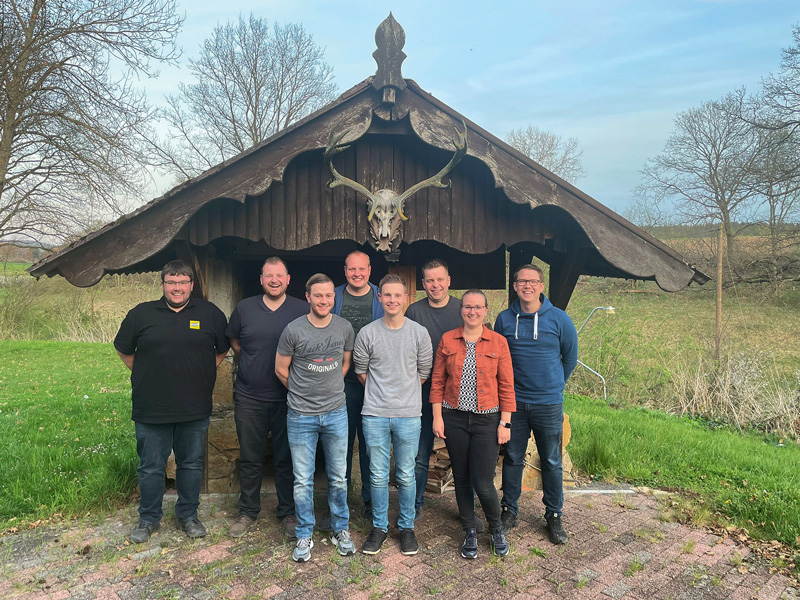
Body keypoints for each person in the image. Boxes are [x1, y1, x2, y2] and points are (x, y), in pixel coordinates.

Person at [114, 260, 229, 544]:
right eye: (171, 282)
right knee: (151, 466)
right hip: (152, 407)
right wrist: (146, 374)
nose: (177, 288)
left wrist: (200, 372)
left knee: (190, 465)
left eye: (182, 282)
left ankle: (188, 515)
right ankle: (148, 518)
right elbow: (125, 350)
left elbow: (221, 351)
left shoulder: (210, 313)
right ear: (163, 284)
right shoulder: (141, 314)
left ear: (192, 285)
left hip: (194, 407)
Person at [226, 257, 309, 539]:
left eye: (280, 275)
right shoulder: (245, 308)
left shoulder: (301, 309)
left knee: (287, 458)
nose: (274, 280)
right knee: (250, 457)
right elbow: (236, 342)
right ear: (261, 279)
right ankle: (248, 511)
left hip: (290, 396)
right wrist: (254, 363)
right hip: (250, 396)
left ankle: (288, 512)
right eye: (269, 275)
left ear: (288, 279)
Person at [275, 274, 356, 563]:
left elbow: (346, 362)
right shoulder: (293, 330)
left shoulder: (344, 327)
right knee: (302, 480)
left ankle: (340, 529)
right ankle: (304, 532)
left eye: (328, 296)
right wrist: (302, 393)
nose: (324, 301)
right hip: (300, 414)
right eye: (318, 296)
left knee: (337, 477)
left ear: (334, 298)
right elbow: (281, 369)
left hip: (336, 412)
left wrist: (331, 386)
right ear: (308, 297)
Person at [495, 264, 578, 545]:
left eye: (532, 281)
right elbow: (499, 359)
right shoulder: (504, 320)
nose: (526, 286)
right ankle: (509, 510)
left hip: (548, 404)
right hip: (514, 404)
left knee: (552, 460)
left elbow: (570, 358)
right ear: (515, 286)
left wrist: (553, 383)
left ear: (541, 286)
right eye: (521, 282)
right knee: (513, 458)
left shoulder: (560, 320)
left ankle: (554, 515)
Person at [430, 290, 515, 559]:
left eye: (478, 307)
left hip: (486, 420)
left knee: (483, 481)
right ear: (461, 310)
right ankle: (469, 529)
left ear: (486, 311)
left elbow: (507, 386)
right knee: (462, 479)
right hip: (453, 417)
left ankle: (496, 528)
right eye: (468, 307)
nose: (472, 312)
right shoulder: (448, 340)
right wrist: (437, 416)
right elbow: (437, 382)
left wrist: (506, 423)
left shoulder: (498, 342)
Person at [353, 274, 432, 556]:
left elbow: (424, 372)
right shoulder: (368, 333)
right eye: (387, 295)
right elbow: (361, 371)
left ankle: (407, 528)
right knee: (376, 475)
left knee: (407, 475)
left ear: (405, 299)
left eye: (398, 296)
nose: (392, 300)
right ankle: (379, 527)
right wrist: (382, 393)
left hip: (409, 414)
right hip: (374, 413)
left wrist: (403, 393)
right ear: (379, 298)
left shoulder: (419, 333)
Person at [404, 259, 463, 520]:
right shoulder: (414, 312)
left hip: (459, 396)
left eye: (440, 279)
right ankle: (415, 504)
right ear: (423, 284)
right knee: (419, 455)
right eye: (429, 280)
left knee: (463, 455)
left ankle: (467, 506)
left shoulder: (464, 309)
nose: (435, 285)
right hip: (423, 394)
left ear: (449, 280)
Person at [332, 250, 384, 519]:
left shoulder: (381, 296)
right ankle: (338, 503)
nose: (357, 274)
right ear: (345, 271)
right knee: (339, 443)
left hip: (373, 383)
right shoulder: (333, 295)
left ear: (369, 269)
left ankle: (368, 501)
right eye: (352, 269)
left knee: (369, 444)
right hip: (340, 383)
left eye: (361, 269)